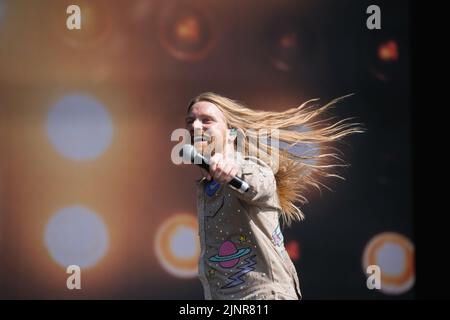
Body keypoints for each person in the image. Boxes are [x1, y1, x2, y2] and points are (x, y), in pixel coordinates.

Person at [184, 92, 363, 300]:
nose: (195, 127)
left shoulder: (252, 168)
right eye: (190, 121)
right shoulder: (207, 188)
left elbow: (259, 185)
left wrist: (234, 168)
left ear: (231, 133)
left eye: (206, 120)